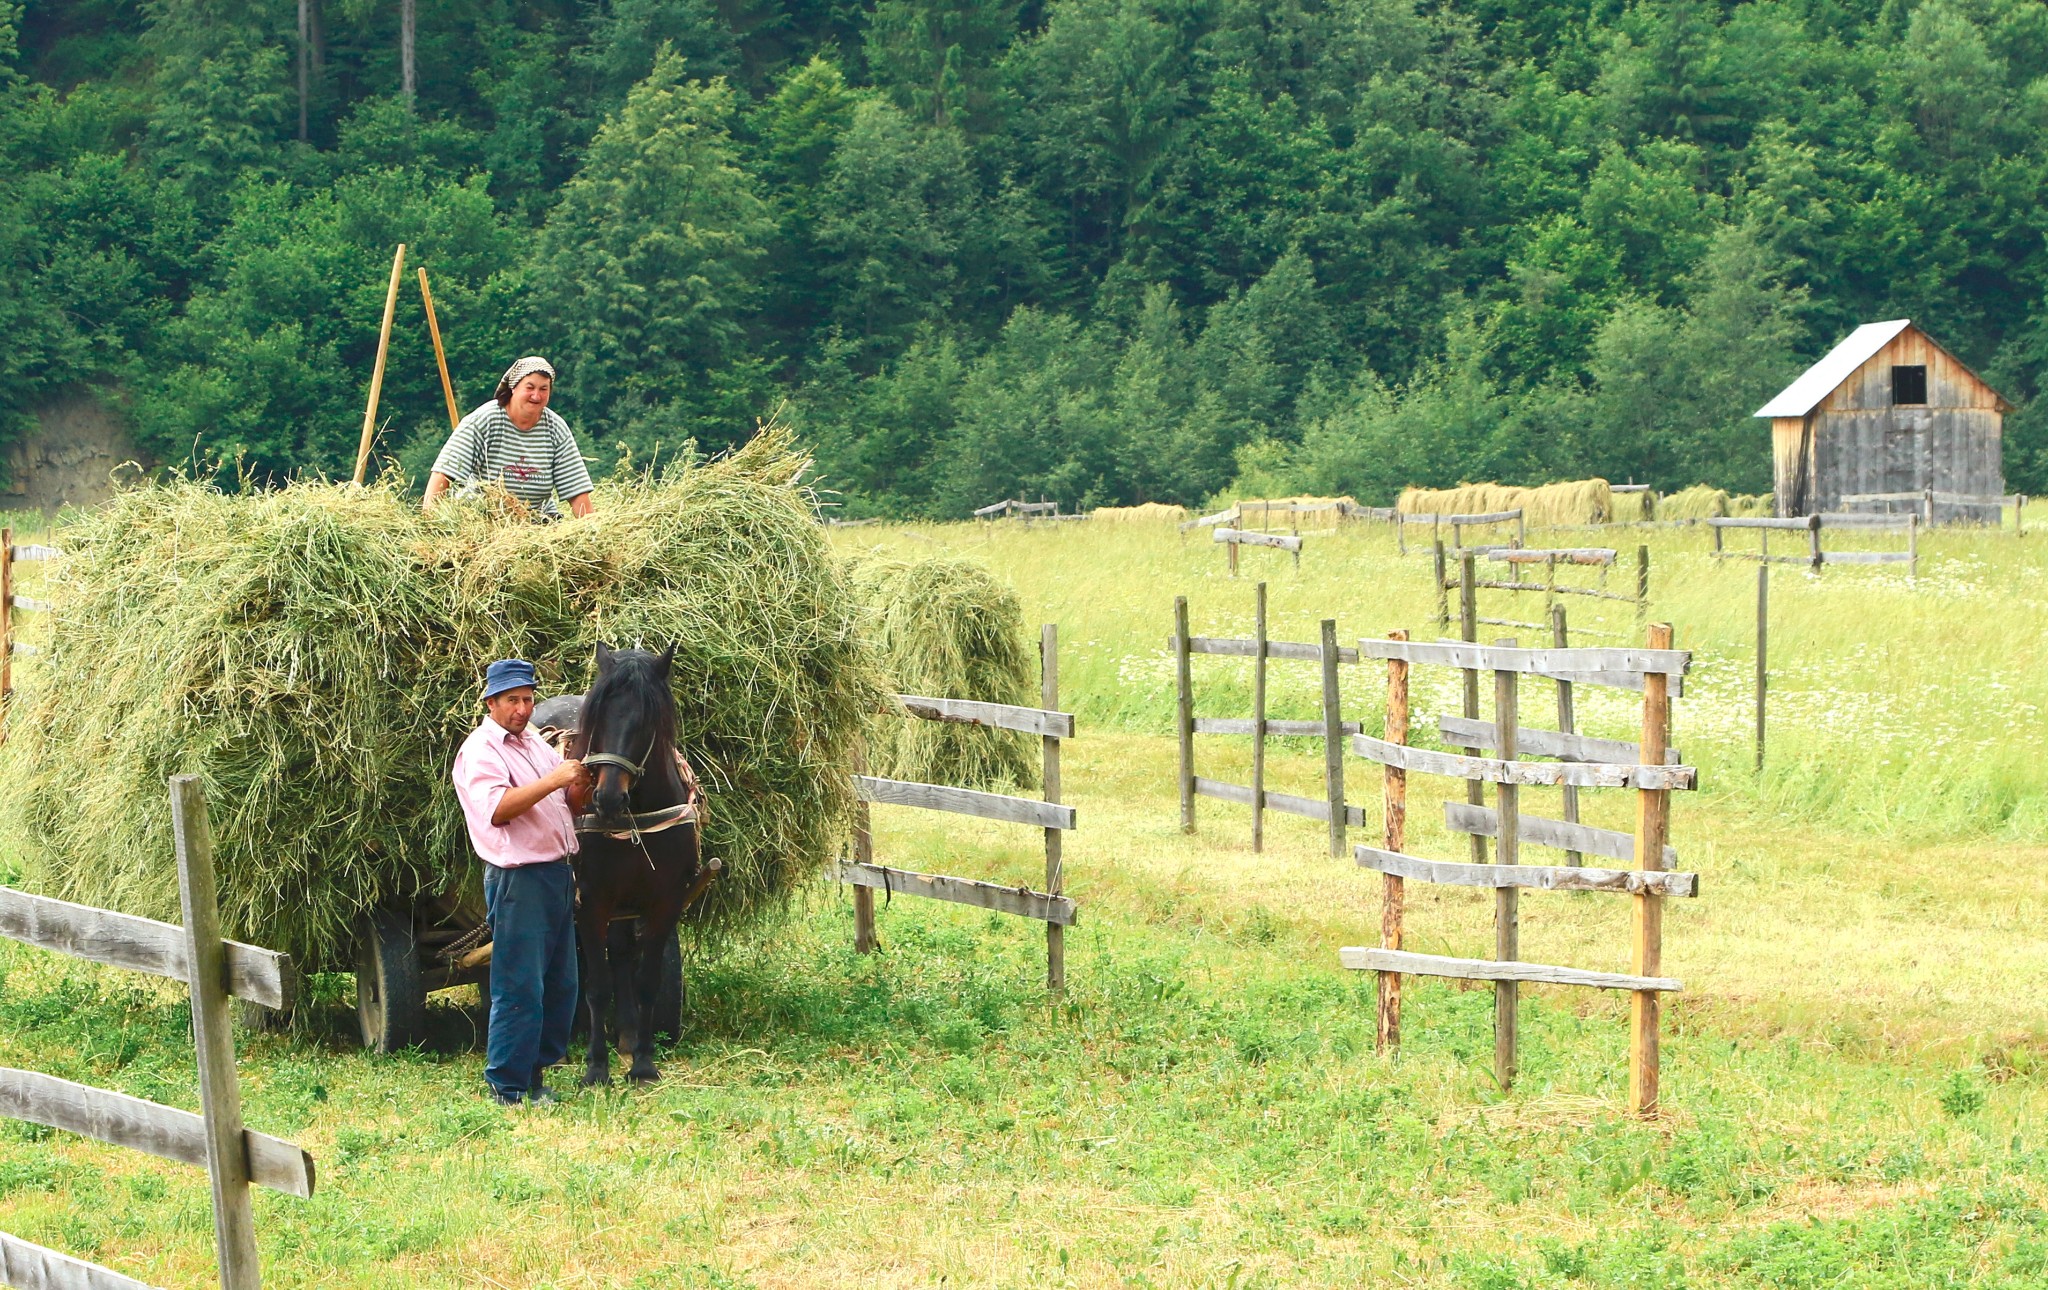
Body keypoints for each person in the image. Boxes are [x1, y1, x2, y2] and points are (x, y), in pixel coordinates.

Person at [452, 658, 590, 1105]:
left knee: (560, 983)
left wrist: (580, 785)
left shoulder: (532, 742)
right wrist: (555, 779)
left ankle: (534, 1076)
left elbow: (566, 802)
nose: (523, 709)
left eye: (529, 699)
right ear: (491, 701)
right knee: (519, 985)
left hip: (555, 876)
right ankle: (506, 1084)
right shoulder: (481, 751)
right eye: (512, 700)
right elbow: (497, 809)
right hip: (519, 882)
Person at [423, 356, 595, 519]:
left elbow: (577, 490)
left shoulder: (556, 429)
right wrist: (432, 523)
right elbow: (443, 473)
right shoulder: (484, 420)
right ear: (514, 387)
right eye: (530, 387)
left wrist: (592, 535)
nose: (536, 396)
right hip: (480, 521)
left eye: (543, 389)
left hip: (537, 523)